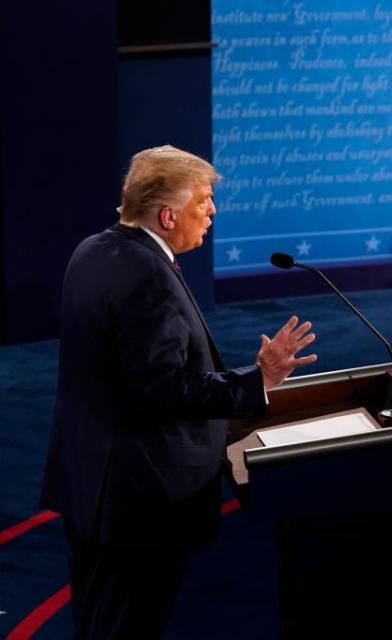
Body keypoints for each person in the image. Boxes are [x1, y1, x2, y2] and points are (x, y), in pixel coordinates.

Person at [40, 145, 318, 638]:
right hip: (138, 502)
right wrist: (260, 380)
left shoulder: (94, 250)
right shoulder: (149, 275)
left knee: (99, 621)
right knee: (128, 625)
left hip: (90, 484)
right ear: (168, 215)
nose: (212, 211)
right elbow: (163, 389)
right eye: (204, 201)